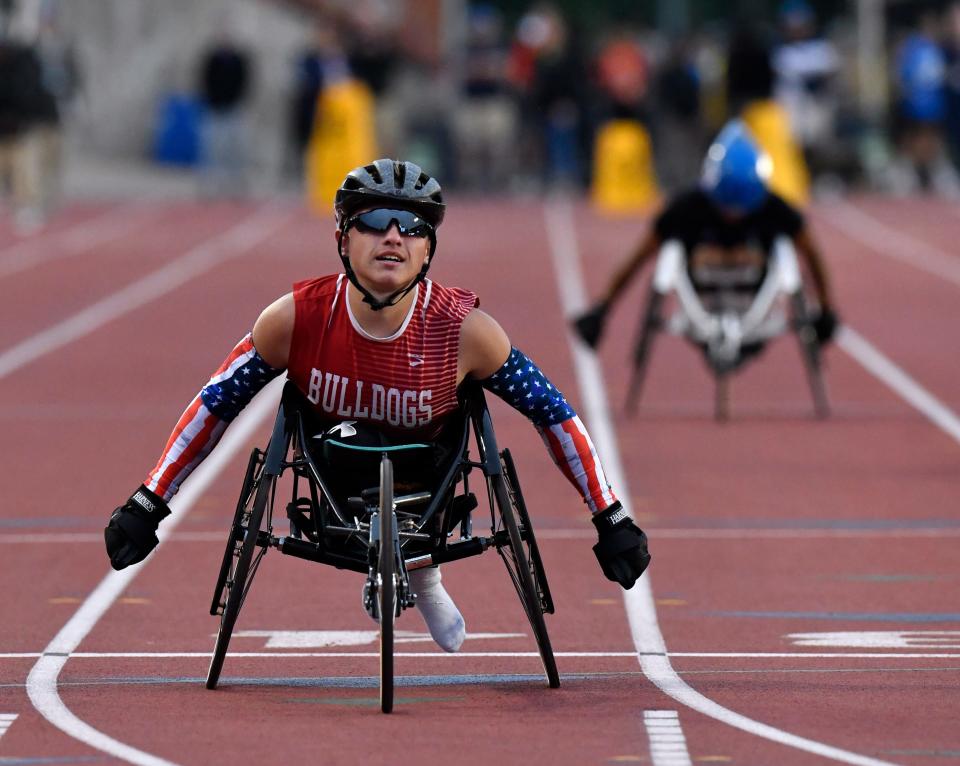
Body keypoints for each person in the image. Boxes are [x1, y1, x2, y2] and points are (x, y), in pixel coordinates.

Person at [103, 159, 650, 654]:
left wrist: (610, 514)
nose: (394, 237)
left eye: (412, 227)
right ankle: (419, 572)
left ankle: (424, 571)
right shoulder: (294, 318)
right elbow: (216, 401)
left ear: (428, 248)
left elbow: (552, 412)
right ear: (342, 238)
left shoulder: (467, 332)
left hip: (430, 483)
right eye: (376, 221)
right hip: (331, 477)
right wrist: (150, 501)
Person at [572, 121, 838, 351]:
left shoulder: (775, 208)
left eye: (742, 208)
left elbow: (812, 253)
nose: (734, 215)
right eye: (727, 207)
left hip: (756, 297)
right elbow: (638, 258)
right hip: (702, 297)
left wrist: (826, 308)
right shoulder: (687, 208)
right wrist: (602, 308)